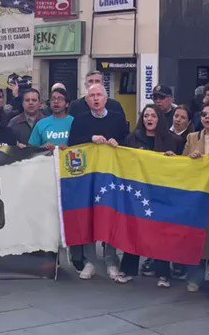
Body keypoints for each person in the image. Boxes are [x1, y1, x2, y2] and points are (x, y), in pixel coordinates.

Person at [66, 84, 129, 280]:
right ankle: (90, 261)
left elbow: (128, 143)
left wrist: (118, 144)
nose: (95, 98)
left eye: (99, 95)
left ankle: (111, 261)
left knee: (109, 215)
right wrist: (90, 138)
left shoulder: (118, 119)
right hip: (88, 176)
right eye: (91, 95)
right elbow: (72, 143)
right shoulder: (80, 120)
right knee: (88, 217)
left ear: (105, 98)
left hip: (111, 176)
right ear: (87, 100)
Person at [118, 105, 184, 287]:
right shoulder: (132, 138)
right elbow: (123, 160)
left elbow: (182, 166)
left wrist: (174, 159)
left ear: (159, 119)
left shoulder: (173, 140)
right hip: (138, 192)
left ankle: (163, 273)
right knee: (135, 231)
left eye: (153, 115)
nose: (149, 119)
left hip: (161, 193)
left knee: (159, 232)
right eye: (146, 115)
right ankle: (127, 269)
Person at [182, 101, 209, 293]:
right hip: (196, 193)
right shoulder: (192, 137)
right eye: (204, 115)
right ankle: (195, 277)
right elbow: (181, 163)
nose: (207, 118)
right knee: (196, 237)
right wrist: (190, 158)